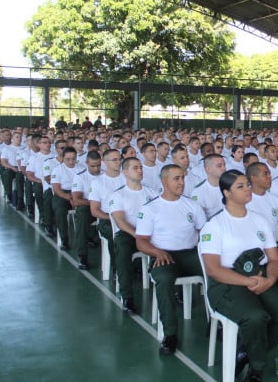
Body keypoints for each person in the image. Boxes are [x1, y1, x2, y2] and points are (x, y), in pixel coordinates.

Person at [200, 170, 278, 382]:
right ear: (227, 193)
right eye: (240, 186)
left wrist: (269, 279)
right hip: (228, 284)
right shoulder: (215, 225)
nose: (248, 189)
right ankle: (256, 368)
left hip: (261, 278)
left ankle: (246, 350)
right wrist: (247, 282)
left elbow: (274, 258)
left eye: (247, 184)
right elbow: (214, 269)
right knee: (256, 317)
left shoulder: (260, 220)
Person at [136, 164, 207, 355]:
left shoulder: (192, 205)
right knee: (165, 280)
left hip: (190, 254)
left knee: (217, 273)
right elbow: (141, 242)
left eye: (182, 178)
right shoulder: (151, 208)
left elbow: (204, 233)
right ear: (164, 181)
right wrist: (157, 252)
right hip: (164, 255)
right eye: (176, 178)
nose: (181, 182)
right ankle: (170, 334)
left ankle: (217, 323)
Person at [110, 157, 159, 313]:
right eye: (135, 168)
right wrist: (138, 235)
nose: (140, 171)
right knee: (123, 249)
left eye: (140, 168)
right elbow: (120, 221)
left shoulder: (152, 192)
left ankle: (173, 288)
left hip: (150, 233)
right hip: (128, 234)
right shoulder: (118, 195)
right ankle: (127, 296)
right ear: (125, 172)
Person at [71, 150, 103, 270]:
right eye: (92, 166)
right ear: (86, 163)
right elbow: (77, 200)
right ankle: (82, 255)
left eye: (98, 165)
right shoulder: (80, 177)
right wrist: (94, 203)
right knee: (82, 213)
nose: (96, 169)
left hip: (105, 208)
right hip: (89, 208)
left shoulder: (105, 176)